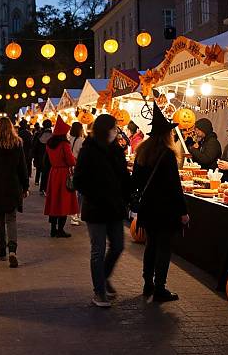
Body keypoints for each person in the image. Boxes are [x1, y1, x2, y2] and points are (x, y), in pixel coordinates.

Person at [132, 103, 189, 303]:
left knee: (151, 245)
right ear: (167, 135)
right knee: (163, 248)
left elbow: (136, 183)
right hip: (166, 210)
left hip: (148, 209)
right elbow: (175, 187)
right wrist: (183, 211)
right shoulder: (167, 155)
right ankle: (160, 288)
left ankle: (148, 282)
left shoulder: (142, 152)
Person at [73, 114, 130, 307]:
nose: (116, 131)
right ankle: (99, 291)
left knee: (118, 246)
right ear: (105, 129)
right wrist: (96, 194)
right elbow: (78, 180)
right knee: (97, 249)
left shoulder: (116, 150)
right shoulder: (88, 150)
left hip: (115, 207)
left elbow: (124, 177)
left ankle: (103, 277)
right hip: (96, 208)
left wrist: (127, 194)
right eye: (113, 128)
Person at [0, 117, 29, 268]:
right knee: (12, 219)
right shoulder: (17, 144)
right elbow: (23, 167)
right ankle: (13, 250)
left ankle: (2, 249)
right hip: (13, 186)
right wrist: (25, 186)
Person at [44, 116, 78, 238]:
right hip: (63, 174)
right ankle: (60, 230)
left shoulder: (49, 144)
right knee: (63, 202)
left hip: (53, 174)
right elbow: (71, 161)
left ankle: (53, 229)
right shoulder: (64, 144)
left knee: (54, 202)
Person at [68, 121, 85, 226]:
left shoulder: (68, 140)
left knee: (72, 190)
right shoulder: (81, 141)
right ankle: (76, 214)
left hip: (70, 168)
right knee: (79, 192)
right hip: (79, 168)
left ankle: (73, 213)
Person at [31, 120, 53, 193]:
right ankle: (47, 188)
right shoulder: (53, 136)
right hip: (49, 157)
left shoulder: (39, 134)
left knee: (40, 170)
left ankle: (41, 186)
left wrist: (34, 156)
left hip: (40, 156)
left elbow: (34, 146)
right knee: (47, 172)